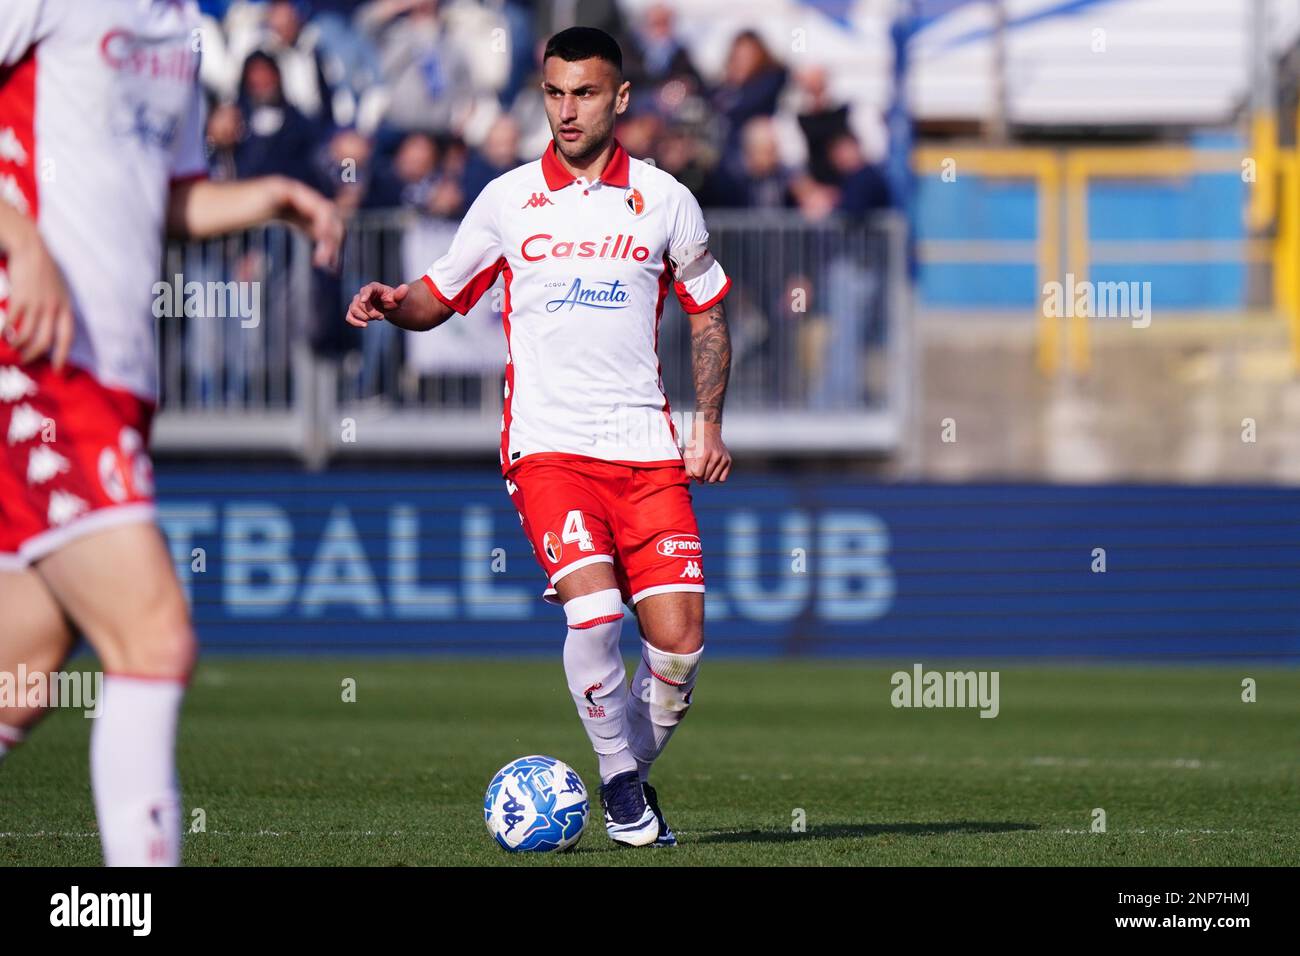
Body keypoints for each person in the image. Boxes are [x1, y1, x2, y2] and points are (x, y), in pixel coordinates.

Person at [346, 26, 732, 848]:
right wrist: (392, 302)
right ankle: (625, 794)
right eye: (554, 93)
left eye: (585, 92)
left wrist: (708, 425)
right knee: (593, 617)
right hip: (548, 449)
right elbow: (439, 295)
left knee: (680, 651)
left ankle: (621, 767)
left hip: (649, 452)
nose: (566, 110)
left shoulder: (665, 199)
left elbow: (708, 312)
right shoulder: (509, 198)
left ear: (620, 98)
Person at [0, 0, 342, 866]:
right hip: (34, 356)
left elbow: (168, 198)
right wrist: (20, 242)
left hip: (114, 380)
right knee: (154, 635)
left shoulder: (182, 27)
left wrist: (267, 197)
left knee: (26, 667)